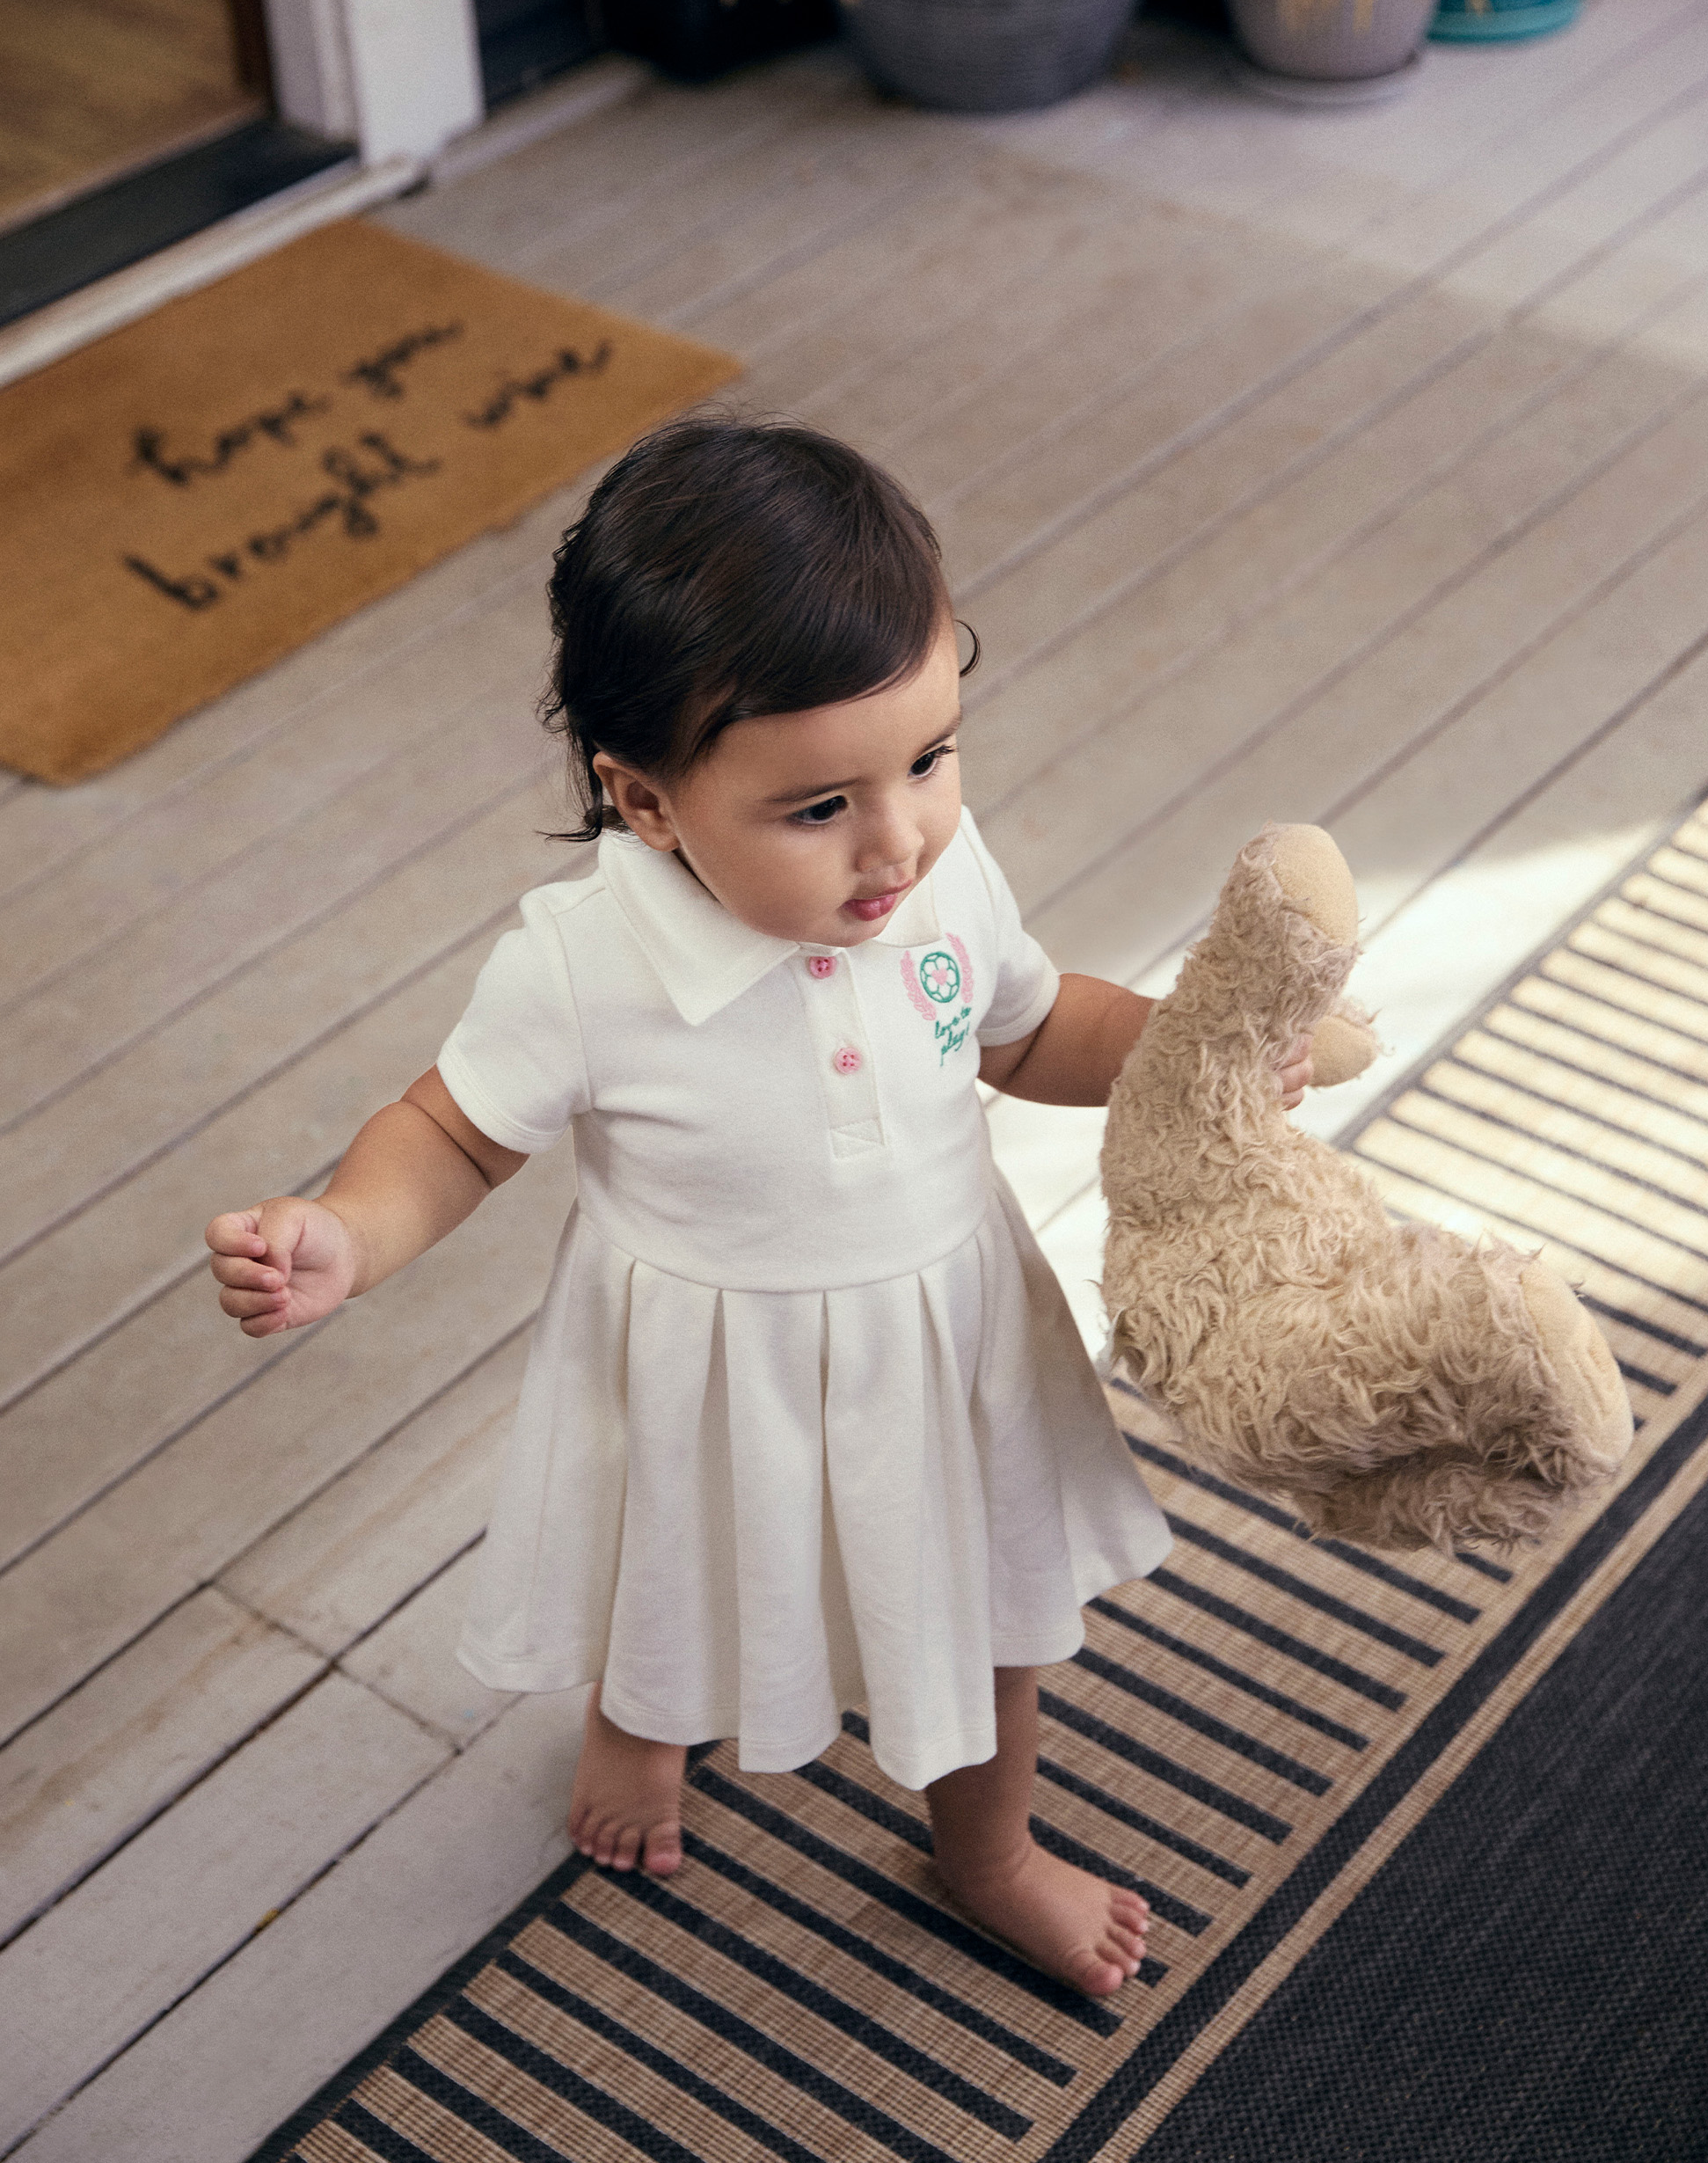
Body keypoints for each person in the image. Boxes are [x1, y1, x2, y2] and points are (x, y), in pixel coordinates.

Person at [206, 416, 1312, 1999]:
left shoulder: (933, 872)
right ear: (645, 804)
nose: (899, 840)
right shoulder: (582, 967)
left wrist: (1185, 1054)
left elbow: (1021, 1029)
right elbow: (452, 1136)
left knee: (987, 1612)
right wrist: (348, 1230)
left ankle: (986, 1852)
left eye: (930, 758)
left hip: (944, 1335)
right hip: (704, 1357)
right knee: (678, 1561)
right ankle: (639, 1721)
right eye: (819, 810)